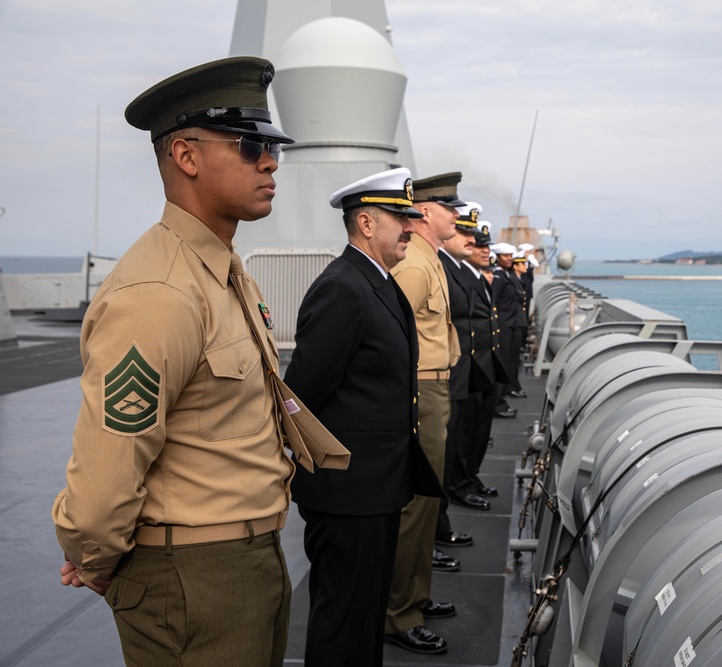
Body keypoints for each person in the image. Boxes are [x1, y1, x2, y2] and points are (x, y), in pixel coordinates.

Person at [52, 57, 303, 666]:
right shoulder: (159, 294)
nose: (269, 161)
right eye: (249, 145)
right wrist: (98, 563)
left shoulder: (223, 273)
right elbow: (108, 468)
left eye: (272, 147)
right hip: (192, 578)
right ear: (186, 156)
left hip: (250, 561)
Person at [284, 168, 442, 666]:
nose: (412, 229)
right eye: (402, 218)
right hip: (347, 493)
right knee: (342, 620)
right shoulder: (343, 289)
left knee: (366, 617)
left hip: (375, 488)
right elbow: (303, 394)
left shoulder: (377, 283)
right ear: (367, 223)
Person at [385, 172, 465, 654]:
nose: (457, 215)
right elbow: (394, 333)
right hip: (421, 389)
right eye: (450, 207)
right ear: (428, 213)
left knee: (428, 500)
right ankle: (398, 613)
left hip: (435, 386)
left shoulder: (428, 258)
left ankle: (415, 597)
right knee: (416, 506)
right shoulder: (414, 265)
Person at [437, 203, 492, 516]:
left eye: (473, 233)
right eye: (464, 231)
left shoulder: (455, 268)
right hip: (447, 373)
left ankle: (460, 488)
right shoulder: (438, 266)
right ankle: (447, 507)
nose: (471, 240)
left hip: (467, 369)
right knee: (449, 445)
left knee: (463, 436)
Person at [451, 227, 510, 500]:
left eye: (487, 245)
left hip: (486, 366)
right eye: (478, 245)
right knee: (465, 431)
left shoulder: (480, 278)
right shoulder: (462, 276)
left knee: (479, 430)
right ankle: (460, 484)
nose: (485, 250)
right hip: (470, 367)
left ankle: (470, 477)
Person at [492, 242, 529, 399]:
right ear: (497, 258)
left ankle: (506, 390)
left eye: (510, 256)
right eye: (505, 256)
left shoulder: (507, 275)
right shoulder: (498, 277)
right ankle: (499, 397)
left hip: (512, 325)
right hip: (503, 326)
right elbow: (494, 302)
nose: (509, 259)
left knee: (510, 360)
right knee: (503, 361)